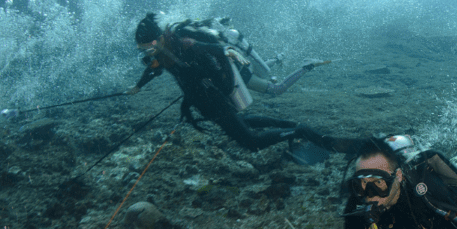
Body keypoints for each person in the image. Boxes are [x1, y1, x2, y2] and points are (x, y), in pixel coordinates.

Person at [129, 13, 331, 152]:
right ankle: (291, 124)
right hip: (226, 83)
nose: (148, 53)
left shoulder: (182, 43)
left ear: (160, 38)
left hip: (234, 77)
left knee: (273, 98)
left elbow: (201, 46)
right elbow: (154, 69)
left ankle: (306, 76)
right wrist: (138, 86)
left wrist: (227, 50)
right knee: (244, 118)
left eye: (150, 47)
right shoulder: (164, 54)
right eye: (143, 50)